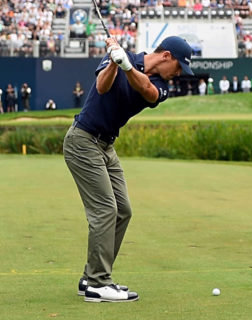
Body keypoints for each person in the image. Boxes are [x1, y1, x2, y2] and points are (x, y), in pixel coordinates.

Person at [64, 34, 193, 304]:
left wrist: (126, 66)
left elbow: (148, 91)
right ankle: (99, 284)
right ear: (166, 56)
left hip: (106, 147)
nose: (178, 74)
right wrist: (114, 61)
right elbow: (101, 87)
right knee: (105, 209)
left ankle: (91, 276)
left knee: (123, 210)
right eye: (179, 67)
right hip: (83, 140)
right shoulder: (122, 56)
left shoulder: (159, 84)